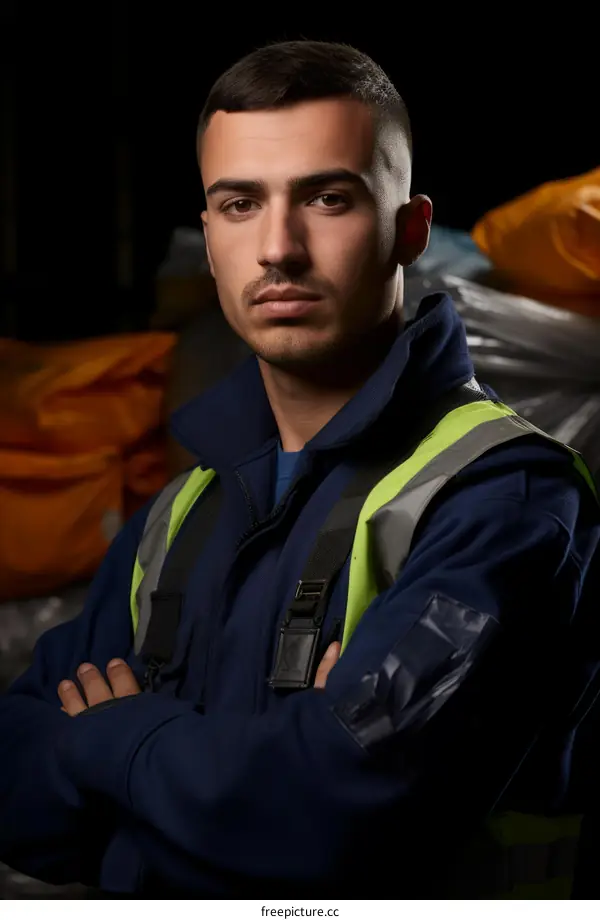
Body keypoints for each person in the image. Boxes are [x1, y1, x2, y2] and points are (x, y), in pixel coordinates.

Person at [1, 40, 599, 899]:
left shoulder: (507, 498)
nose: (278, 248)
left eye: (327, 198)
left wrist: (111, 740)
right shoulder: (180, 515)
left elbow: (324, 823)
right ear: (210, 241)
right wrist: (252, 773)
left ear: (410, 230)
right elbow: (12, 781)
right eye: (240, 204)